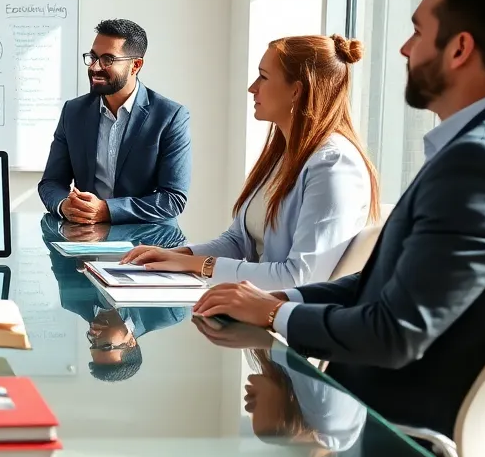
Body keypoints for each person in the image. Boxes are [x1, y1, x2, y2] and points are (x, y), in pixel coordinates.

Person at [195, 0, 485, 440]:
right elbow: (380, 284)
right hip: (374, 433)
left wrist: (272, 314)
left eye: (417, 32)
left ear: (459, 49)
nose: (404, 49)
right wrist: (276, 300)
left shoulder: (482, 165)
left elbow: (395, 333)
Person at [122, 35, 380, 287]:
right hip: (252, 305)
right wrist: (179, 255)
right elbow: (237, 241)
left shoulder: (334, 165)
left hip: (284, 322)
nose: (252, 87)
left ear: (296, 91)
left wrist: (201, 265)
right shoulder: (283, 156)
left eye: (263, 77)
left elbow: (300, 278)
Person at [38, 19, 192, 224]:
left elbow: (172, 199)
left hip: (147, 238)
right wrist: (64, 205)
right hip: (84, 235)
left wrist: (106, 210)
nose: (95, 67)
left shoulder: (170, 116)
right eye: (93, 57)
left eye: (108, 59)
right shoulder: (73, 112)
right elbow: (51, 182)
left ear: (135, 65)